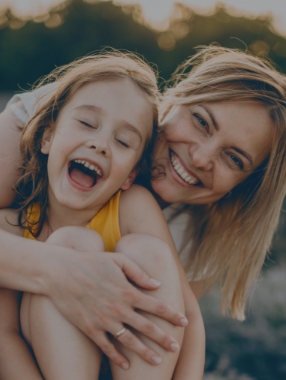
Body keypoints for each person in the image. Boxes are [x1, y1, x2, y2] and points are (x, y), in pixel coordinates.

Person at [0, 45, 285, 372]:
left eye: (234, 159)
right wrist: (62, 268)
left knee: (147, 252)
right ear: (174, 100)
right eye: (201, 121)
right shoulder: (91, 104)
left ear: (243, 187)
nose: (202, 158)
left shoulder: (185, 231)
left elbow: (184, 324)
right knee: (77, 244)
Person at [0, 52, 204, 379]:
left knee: (150, 252)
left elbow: (183, 312)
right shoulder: (9, 227)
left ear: (129, 175)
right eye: (86, 123)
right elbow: (4, 336)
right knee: (71, 243)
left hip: (128, 364)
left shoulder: (132, 205)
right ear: (47, 136)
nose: (100, 144)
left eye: (123, 141)